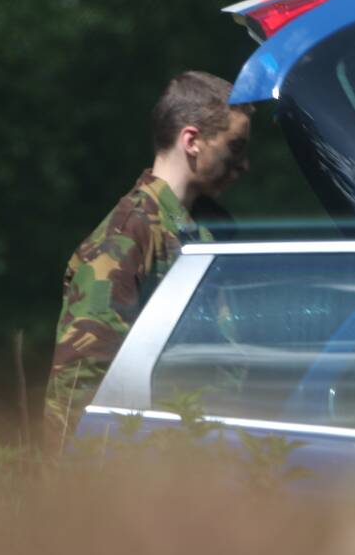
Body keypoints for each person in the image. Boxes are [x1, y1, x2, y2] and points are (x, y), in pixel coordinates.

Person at [43, 71, 252, 450]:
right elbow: (79, 383)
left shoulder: (204, 231)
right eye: (235, 147)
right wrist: (75, 480)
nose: (244, 165)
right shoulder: (125, 238)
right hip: (145, 460)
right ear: (192, 141)